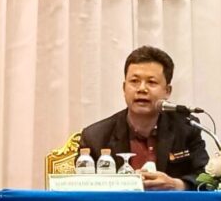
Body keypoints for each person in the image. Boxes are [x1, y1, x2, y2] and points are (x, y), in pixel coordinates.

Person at [79, 46, 209, 190]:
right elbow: (82, 190)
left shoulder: (186, 127)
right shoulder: (96, 137)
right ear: (124, 88)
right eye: (134, 81)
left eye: (151, 82)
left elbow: (206, 178)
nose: (142, 89)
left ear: (167, 91)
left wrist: (176, 185)